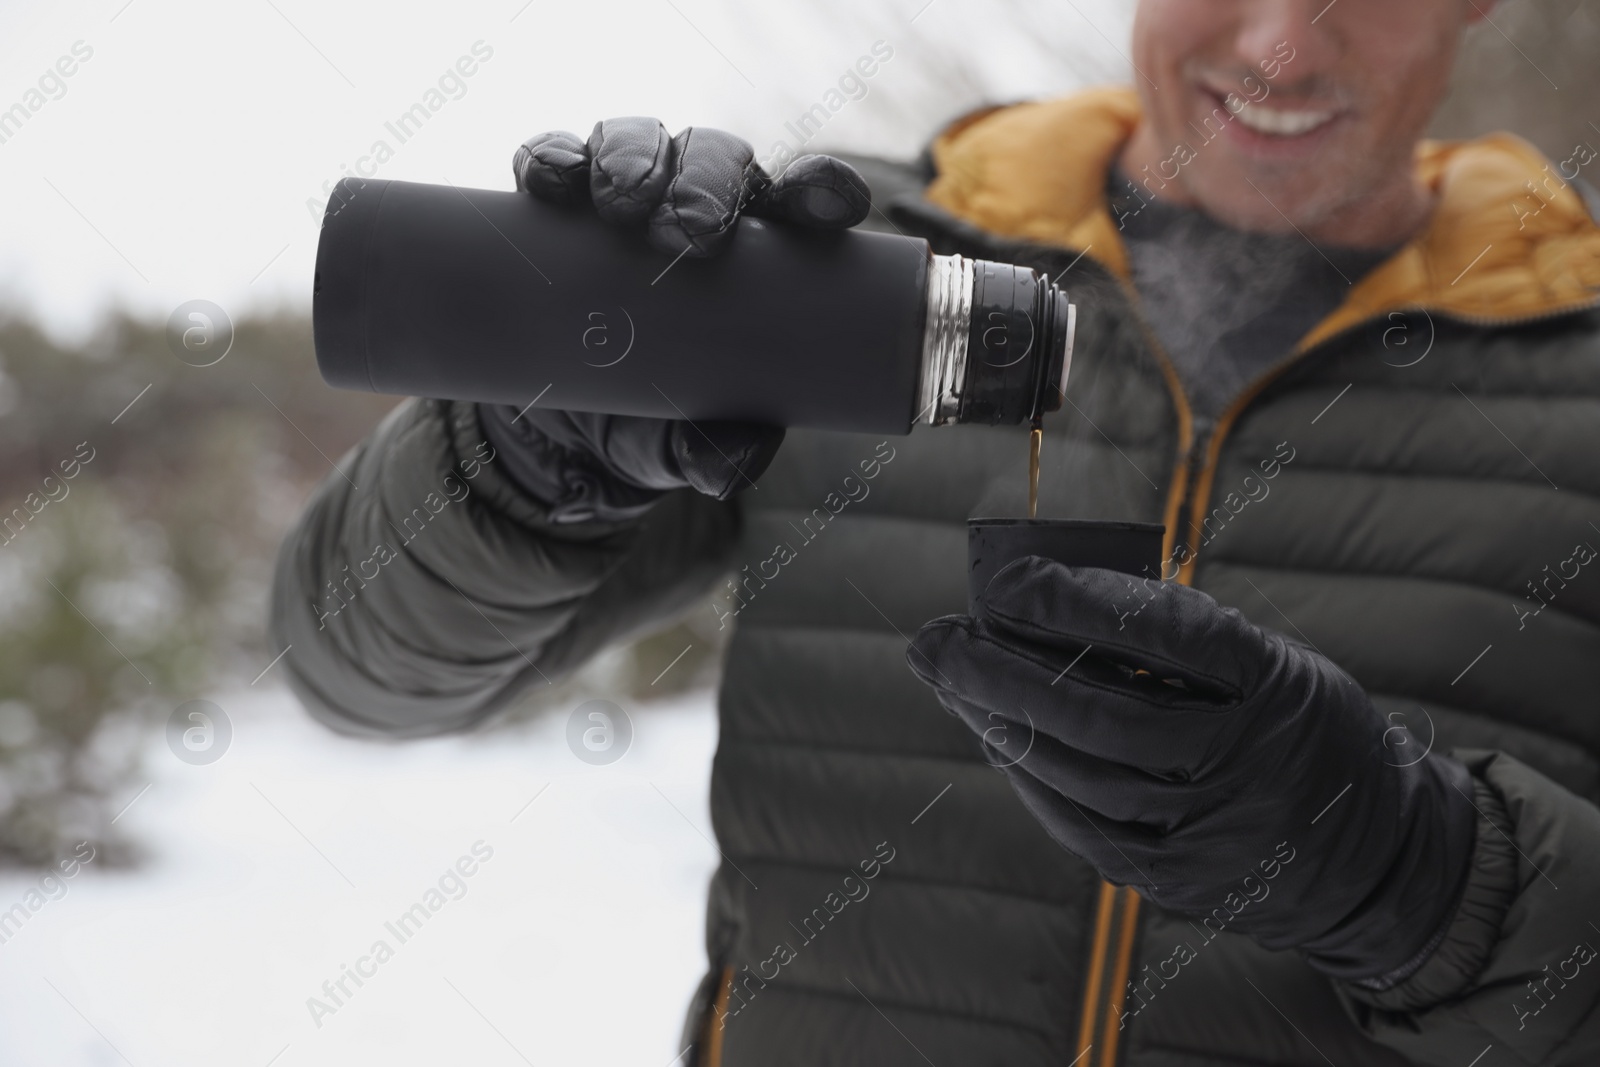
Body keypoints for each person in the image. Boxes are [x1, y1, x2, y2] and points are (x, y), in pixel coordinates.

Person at [270, 0, 1600, 1063]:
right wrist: (527, 455)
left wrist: (1418, 874)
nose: (1279, 43)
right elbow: (356, 673)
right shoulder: (835, 269)